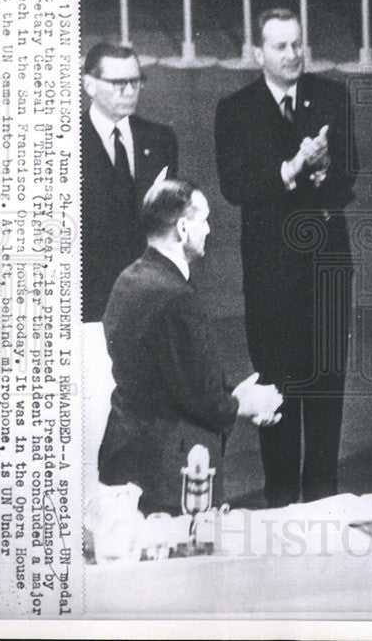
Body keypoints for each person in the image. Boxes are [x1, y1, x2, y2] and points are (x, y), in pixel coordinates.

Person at [214, 8, 357, 508]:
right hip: (272, 281)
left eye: (298, 45)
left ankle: (323, 507)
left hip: (327, 275)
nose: (293, 55)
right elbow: (237, 187)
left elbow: (348, 181)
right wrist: (293, 168)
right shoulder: (234, 110)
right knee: (278, 399)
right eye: (280, 47)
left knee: (325, 400)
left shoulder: (333, 97)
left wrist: (323, 174)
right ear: (259, 53)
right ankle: (280, 513)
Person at [98, 180, 283, 516]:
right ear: (183, 229)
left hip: (125, 459)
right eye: (205, 220)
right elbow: (202, 399)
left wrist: (231, 394)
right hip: (169, 473)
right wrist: (248, 402)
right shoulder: (176, 297)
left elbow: (173, 377)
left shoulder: (129, 279)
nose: (210, 229)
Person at [81, 42, 178, 323]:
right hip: (91, 298)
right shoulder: (66, 141)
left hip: (150, 294)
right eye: (117, 83)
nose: (129, 91)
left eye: (135, 81)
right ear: (90, 85)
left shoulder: (160, 139)